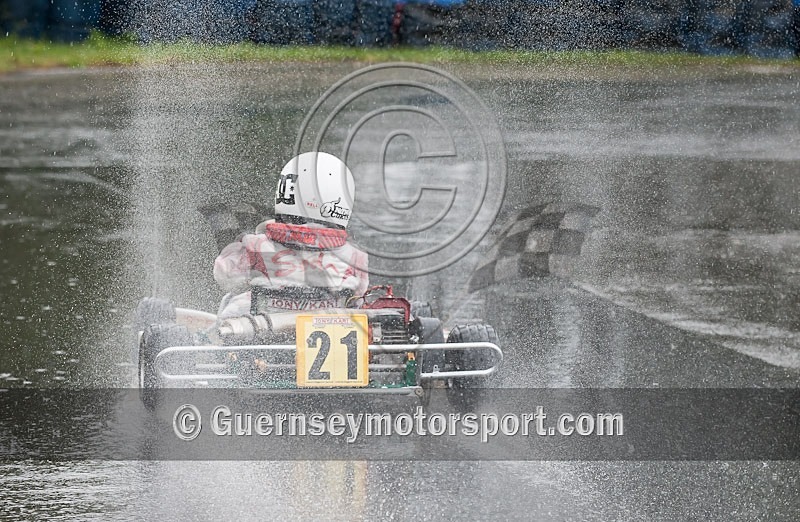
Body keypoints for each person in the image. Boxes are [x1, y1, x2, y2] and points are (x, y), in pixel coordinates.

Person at [213, 152, 369, 319]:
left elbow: (223, 276)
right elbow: (358, 296)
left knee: (230, 300)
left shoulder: (255, 246)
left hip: (260, 332)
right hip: (333, 327)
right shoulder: (355, 257)